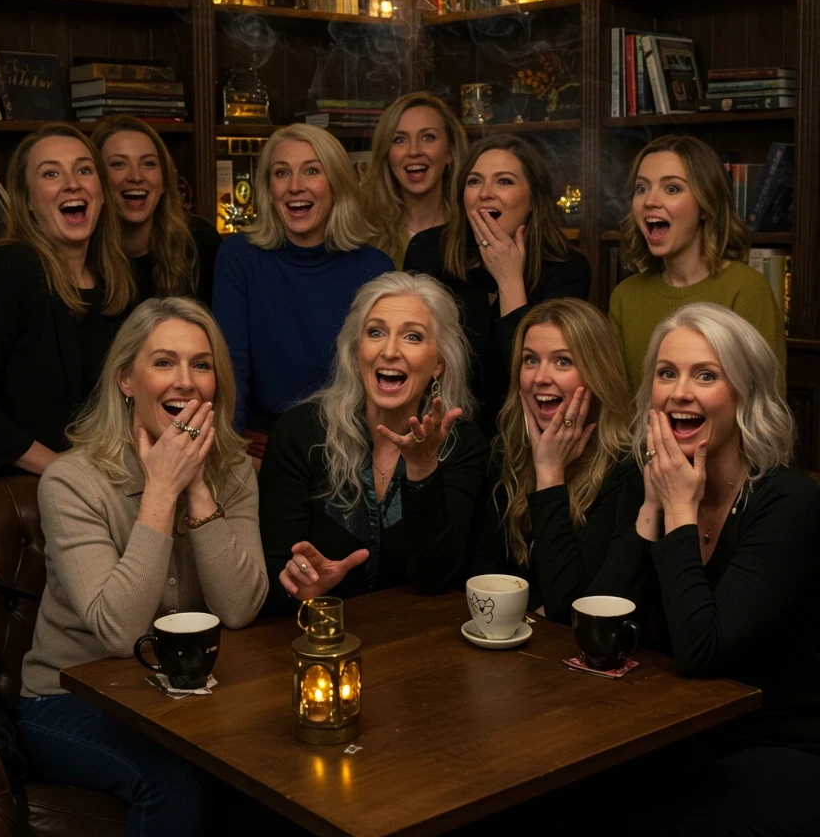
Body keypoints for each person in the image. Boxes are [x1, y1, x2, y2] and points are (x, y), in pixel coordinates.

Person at [19, 297, 271, 837]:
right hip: (69, 699)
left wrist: (198, 488)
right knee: (174, 783)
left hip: (178, 697)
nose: (186, 380)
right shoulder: (73, 481)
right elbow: (116, 630)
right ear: (127, 380)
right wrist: (160, 489)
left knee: (267, 772)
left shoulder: (233, 469)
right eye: (164, 362)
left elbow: (241, 606)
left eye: (201, 365)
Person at [587, 303, 820, 837]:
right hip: (695, 738)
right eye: (666, 373)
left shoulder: (788, 502)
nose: (680, 392)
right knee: (578, 803)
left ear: (744, 395)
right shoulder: (649, 480)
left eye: (705, 375)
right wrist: (651, 509)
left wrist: (681, 515)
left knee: (656, 834)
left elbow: (702, 647)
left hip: (796, 750)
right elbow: (599, 629)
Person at [259, 270, 489, 611]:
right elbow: (275, 574)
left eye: (412, 336)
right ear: (357, 350)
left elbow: (436, 579)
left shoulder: (462, 443)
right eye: (376, 332)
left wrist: (423, 469)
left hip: (421, 636)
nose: (390, 350)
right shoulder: (299, 433)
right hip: (321, 632)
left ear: (439, 363)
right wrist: (302, 587)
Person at [0, 123, 135, 480]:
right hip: (18, 492)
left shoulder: (117, 280)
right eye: (51, 173)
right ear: (27, 200)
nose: (72, 184)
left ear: (102, 192)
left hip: (100, 482)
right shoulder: (8, 268)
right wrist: (65, 473)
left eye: (84, 170)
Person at [213, 123, 392, 459]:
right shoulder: (238, 257)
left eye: (311, 171)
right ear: (268, 188)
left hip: (348, 446)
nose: (295, 186)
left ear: (336, 183)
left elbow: (381, 378)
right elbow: (230, 368)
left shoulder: (374, 267)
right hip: (259, 450)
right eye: (281, 173)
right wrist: (230, 463)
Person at [404, 134, 591, 432]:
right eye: (474, 181)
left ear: (533, 199)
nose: (485, 193)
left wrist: (508, 278)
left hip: (527, 428)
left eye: (504, 181)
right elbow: (414, 358)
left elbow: (539, 379)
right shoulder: (428, 251)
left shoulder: (568, 269)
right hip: (443, 426)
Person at [468, 299, 633, 623]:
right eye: (531, 360)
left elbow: (568, 606)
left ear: (597, 373)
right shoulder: (506, 451)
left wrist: (549, 474)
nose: (540, 377)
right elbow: (481, 571)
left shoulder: (624, 472)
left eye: (562, 361)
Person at [609, 134, 785, 390]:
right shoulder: (625, 296)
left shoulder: (747, 290)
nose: (650, 201)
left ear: (705, 205)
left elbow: (766, 402)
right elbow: (617, 402)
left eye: (672, 188)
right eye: (642, 188)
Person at [94, 116, 220, 306]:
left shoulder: (201, 241)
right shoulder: (82, 254)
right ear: (95, 179)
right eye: (118, 164)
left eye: (149, 164)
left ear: (164, 181)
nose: (136, 176)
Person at [361, 92, 469, 268]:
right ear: (386, 154)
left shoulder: (472, 229)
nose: (413, 151)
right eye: (399, 140)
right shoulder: (362, 232)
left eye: (428, 137)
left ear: (450, 152)